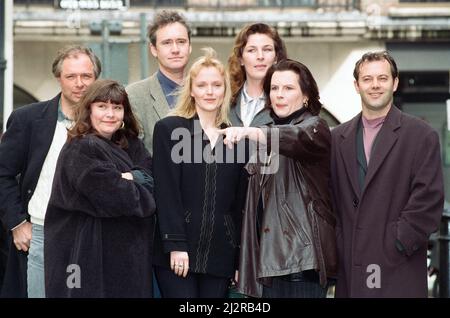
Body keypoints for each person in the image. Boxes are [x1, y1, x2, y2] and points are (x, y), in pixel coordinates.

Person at [220, 59, 337, 298]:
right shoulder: (267, 135)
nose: (279, 95)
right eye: (274, 88)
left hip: (301, 263)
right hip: (269, 264)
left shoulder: (315, 127)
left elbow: (295, 138)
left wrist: (250, 131)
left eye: (288, 88)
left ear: (306, 96)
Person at [330, 51, 444, 297]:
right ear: (356, 85)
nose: (375, 85)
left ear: (395, 83)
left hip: (397, 267)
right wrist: (340, 243)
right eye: (367, 79)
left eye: (382, 78)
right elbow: (330, 199)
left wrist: (398, 242)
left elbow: (428, 200)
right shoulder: (337, 138)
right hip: (351, 267)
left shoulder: (421, 135)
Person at [0, 45, 101, 298]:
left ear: (96, 78)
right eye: (71, 76)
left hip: (91, 236)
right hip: (41, 234)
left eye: (86, 76)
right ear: (59, 78)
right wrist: (16, 223)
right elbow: (3, 173)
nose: (79, 84)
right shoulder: (27, 119)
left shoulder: (107, 122)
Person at [44, 80, 156, 298]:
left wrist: (130, 178)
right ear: (89, 110)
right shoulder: (81, 148)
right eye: (102, 106)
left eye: (117, 107)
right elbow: (120, 198)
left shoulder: (132, 144)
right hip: (87, 256)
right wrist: (136, 183)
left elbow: (153, 182)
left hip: (129, 257)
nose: (110, 114)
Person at [152, 48, 247, 298]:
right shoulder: (170, 130)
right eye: (202, 85)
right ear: (191, 89)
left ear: (225, 90)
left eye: (217, 85)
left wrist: (238, 259)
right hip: (178, 251)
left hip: (220, 252)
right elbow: (166, 192)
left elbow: (240, 205)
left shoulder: (236, 139)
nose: (209, 91)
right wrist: (175, 245)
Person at [126, 10, 192, 155]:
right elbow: (135, 156)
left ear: (190, 46)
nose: (175, 49)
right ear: (154, 49)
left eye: (181, 42)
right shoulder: (134, 96)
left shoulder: (207, 91)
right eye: (167, 43)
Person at [227, 23, 287, 128]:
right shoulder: (224, 100)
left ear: (276, 57)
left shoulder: (288, 100)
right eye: (252, 50)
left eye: (267, 49)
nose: (260, 56)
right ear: (241, 59)